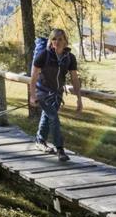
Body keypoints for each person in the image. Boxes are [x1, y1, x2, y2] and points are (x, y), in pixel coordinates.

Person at [28, 28, 82, 162]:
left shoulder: (69, 58)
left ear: (65, 41)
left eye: (60, 39)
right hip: (43, 93)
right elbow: (34, 76)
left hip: (57, 94)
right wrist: (32, 95)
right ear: (50, 41)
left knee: (47, 116)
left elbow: (74, 79)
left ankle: (40, 141)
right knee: (54, 118)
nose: (57, 42)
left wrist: (79, 99)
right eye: (54, 39)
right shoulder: (44, 55)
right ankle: (60, 149)